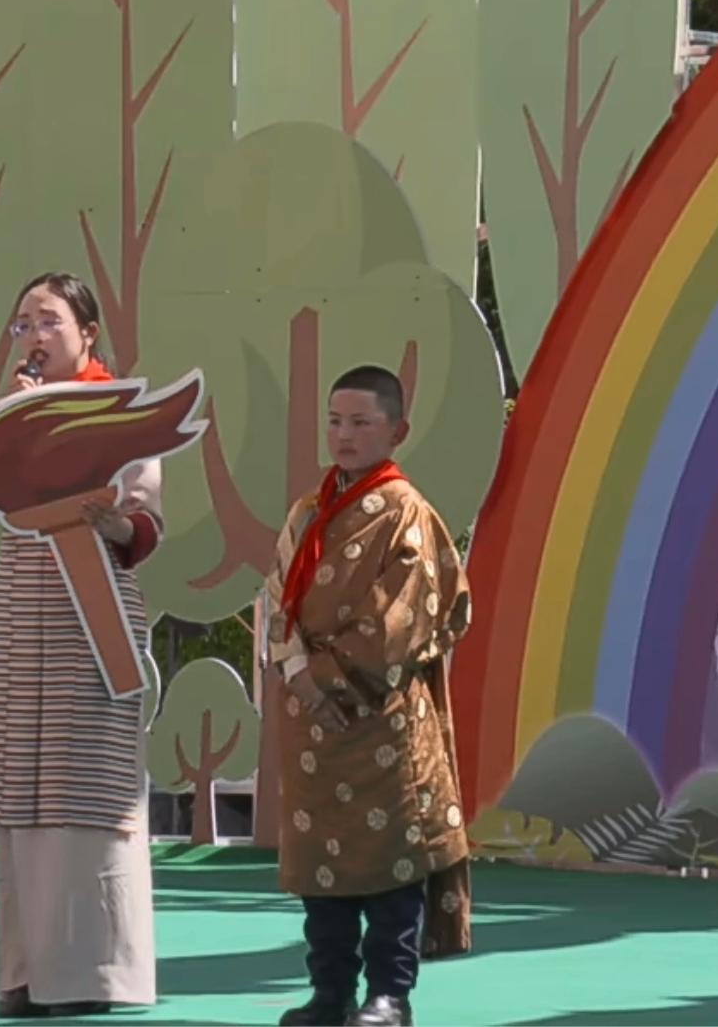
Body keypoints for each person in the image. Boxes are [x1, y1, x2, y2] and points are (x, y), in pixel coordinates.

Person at [0, 271, 162, 1018]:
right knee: (24, 782)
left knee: (85, 783)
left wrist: (113, 523)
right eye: (24, 323)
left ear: (87, 333)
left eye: (48, 321)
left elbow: (144, 529)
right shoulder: (10, 411)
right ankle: (24, 972)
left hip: (91, 606)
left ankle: (91, 974)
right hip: (23, 602)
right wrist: (2, 424)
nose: (35, 336)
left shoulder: (121, 412)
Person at [263, 365, 474, 1027]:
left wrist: (325, 678)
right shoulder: (309, 509)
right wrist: (297, 672)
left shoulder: (406, 513)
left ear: (397, 431)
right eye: (335, 421)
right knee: (319, 866)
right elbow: (276, 597)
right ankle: (329, 993)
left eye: (360, 422)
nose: (344, 434)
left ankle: (391, 995)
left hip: (382, 718)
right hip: (312, 723)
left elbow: (398, 622)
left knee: (390, 865)